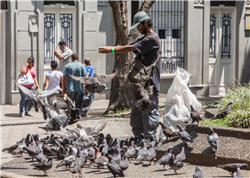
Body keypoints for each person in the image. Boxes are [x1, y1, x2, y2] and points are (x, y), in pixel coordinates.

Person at [98, 11, 161, 139]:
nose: (137, 29)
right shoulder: (143, 38)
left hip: (150, 87)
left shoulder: (152, 38)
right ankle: (139, 144)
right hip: (140, 88)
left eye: (138, 25)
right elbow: (130, 45)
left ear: (145, 23)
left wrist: (112, 49)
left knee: (148, 119)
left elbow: (129, 49)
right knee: (135, 119)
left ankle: (150, 147)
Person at [62, 53, 87, 121]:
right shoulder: (82, 66)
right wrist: (85, 86)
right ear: (78, 58)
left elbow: (65, 77)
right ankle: (77, 116)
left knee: (70, 104)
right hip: (79, 87)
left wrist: (64, 87)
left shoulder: (68, 66)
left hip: (70, 88)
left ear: (71, 58)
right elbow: (85, 77)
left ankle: (71, 116)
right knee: (78, 103)